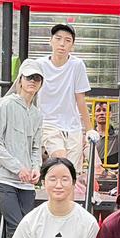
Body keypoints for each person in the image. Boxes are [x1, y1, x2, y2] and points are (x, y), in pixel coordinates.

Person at [0, 57, 45, 238]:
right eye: (29, 77)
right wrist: (17, 168)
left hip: (26, 184)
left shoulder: (37, 114)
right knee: (17, 227)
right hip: (3, 179)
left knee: (27, 231)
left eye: (37, 78)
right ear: (20, 80)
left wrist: (36, 168)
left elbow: (36, 148)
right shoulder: (6, 104)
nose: (32, 81)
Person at [37, 23, 93, 180]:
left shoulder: (77, 65)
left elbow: (80, 99)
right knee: (61, 161)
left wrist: (89, 129)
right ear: (50, 41)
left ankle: (64, 196)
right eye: (58, 38)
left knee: (71, 174)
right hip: (48, 123)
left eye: (67, 40)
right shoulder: (39, 65)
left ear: (72, 46)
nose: (62, 44)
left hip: (73, 127)